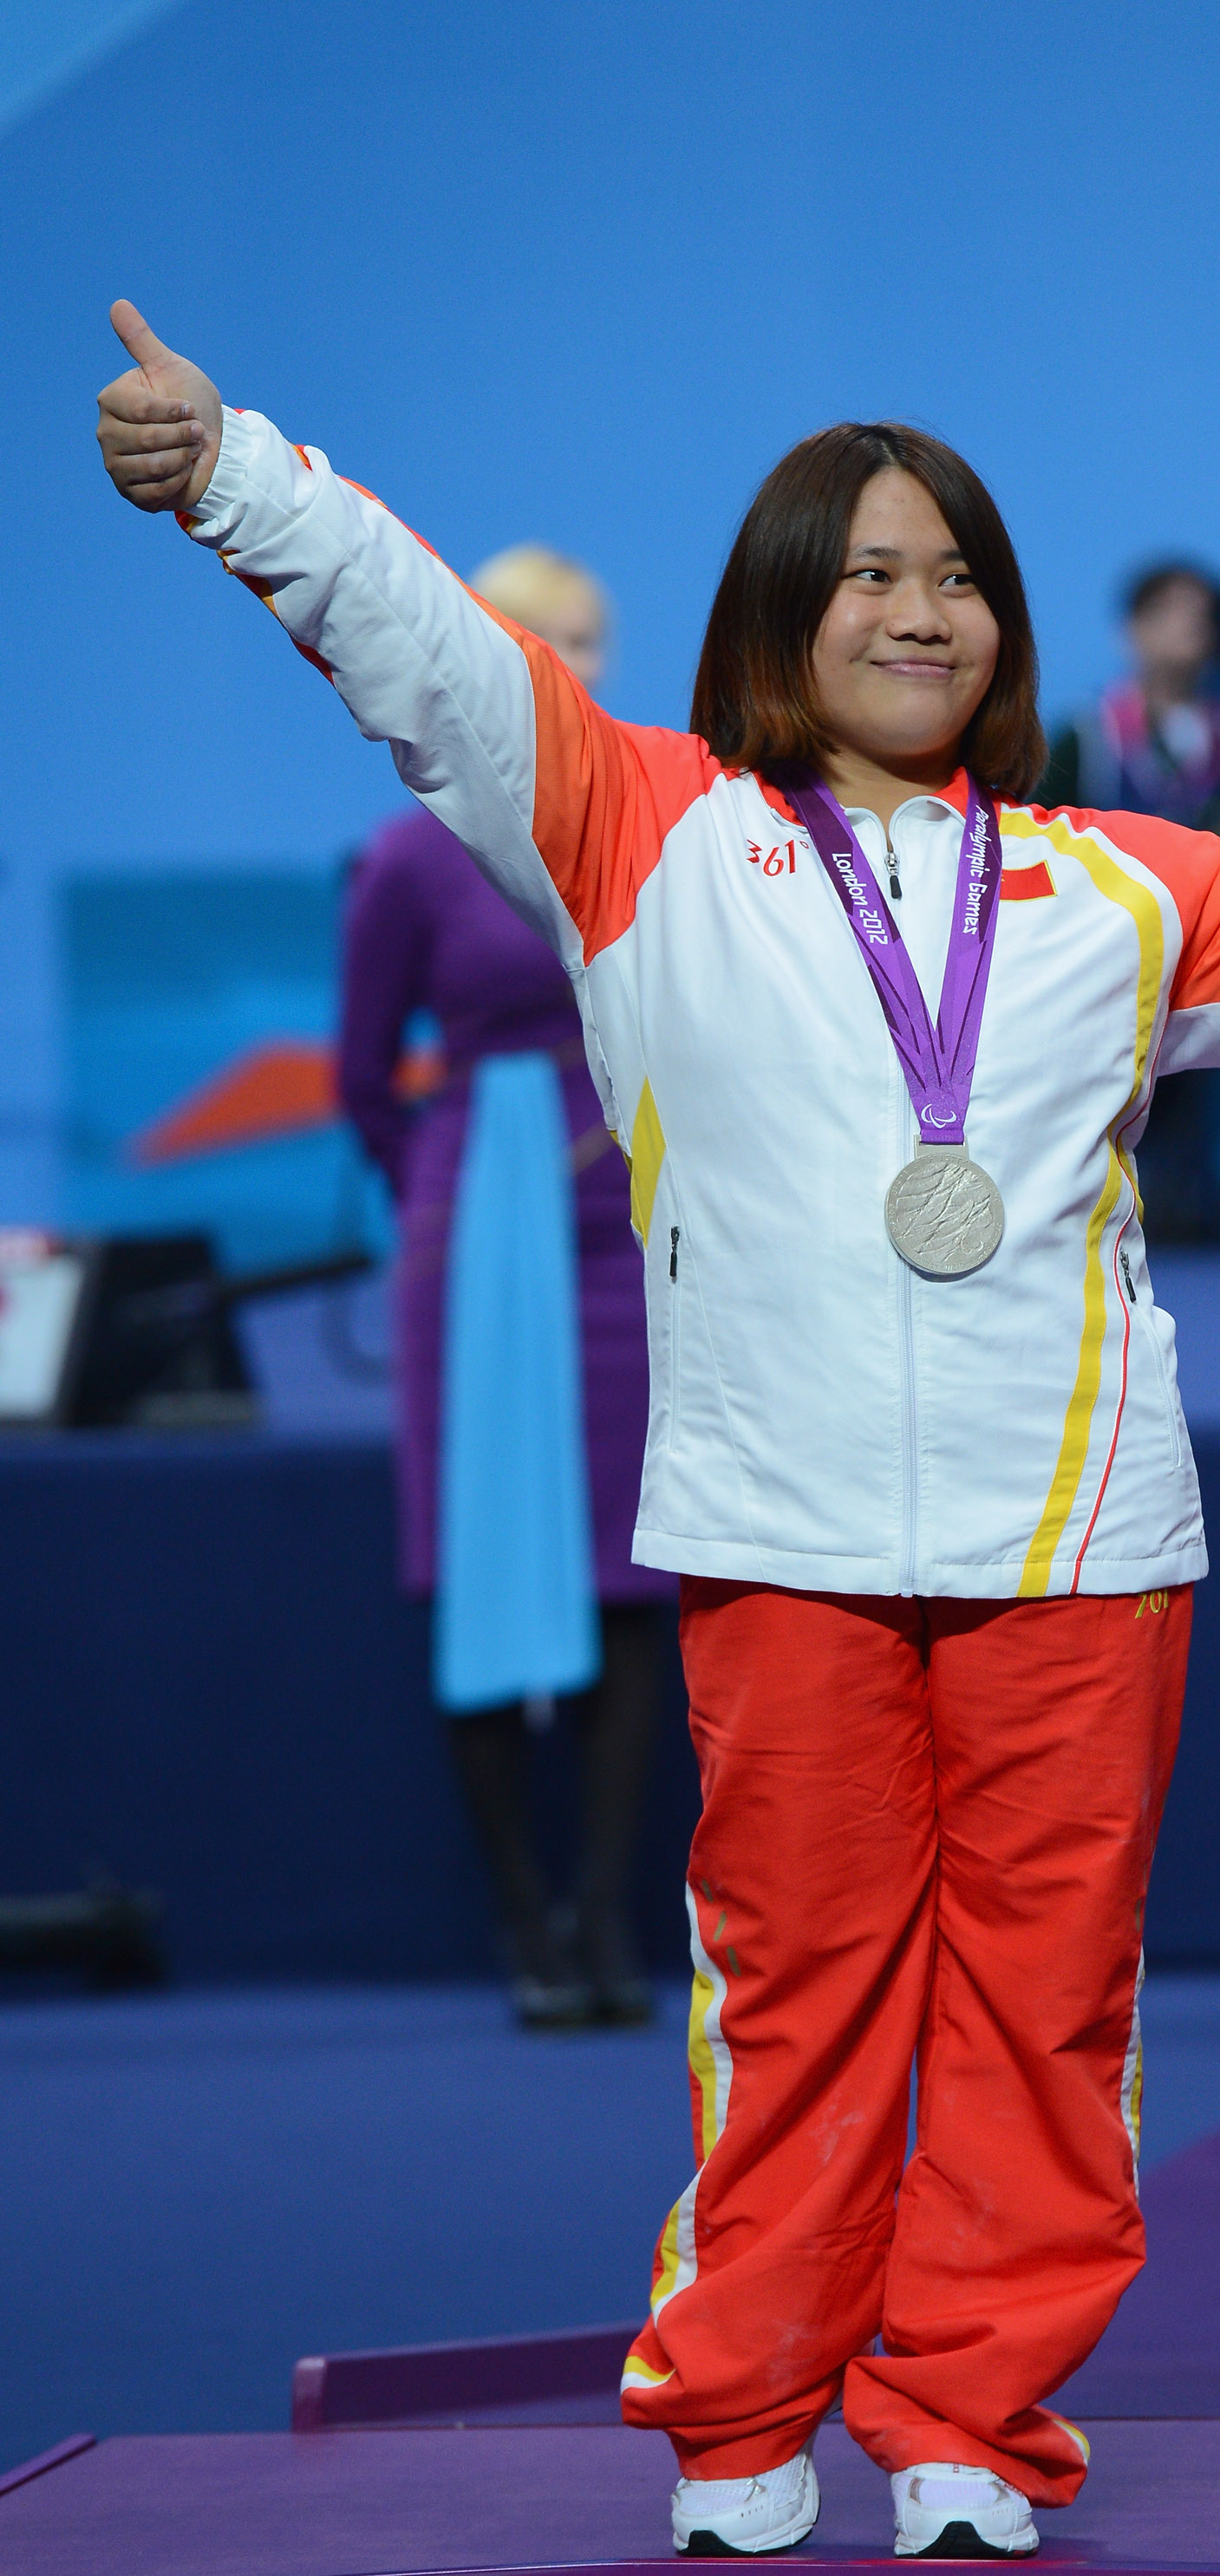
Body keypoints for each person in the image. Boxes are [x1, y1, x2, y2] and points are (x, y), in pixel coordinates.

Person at [96, 302, 1220, 2561]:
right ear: (780, 613)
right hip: (779, 1530)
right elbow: (421, 644)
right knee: (792, 1994)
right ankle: (740, 2411)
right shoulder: (637, 832)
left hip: (1080, 1545)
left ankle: (971, 2412)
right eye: (871, 570)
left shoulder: (1120, 883)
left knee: (1046, 2007)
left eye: (958, 572)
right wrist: (235, 471)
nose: (920, 610)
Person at [337, 543, 670, 2032]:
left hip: (635, 1229)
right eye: (548, 638)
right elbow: (365, 1079)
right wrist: (459, 1195)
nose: (576, 664)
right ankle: (521, 1921)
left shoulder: (652, 820)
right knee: (485, 1570)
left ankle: (602, 1917)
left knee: (634, 1577)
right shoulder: (411, 852)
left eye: (591, 638)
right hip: (480, 1236)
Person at [1037, 561, 1220, 824]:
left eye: (1203, 613)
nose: (1189, 623)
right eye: (1169, 610)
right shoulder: (1087, 738)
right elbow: (1038, 831)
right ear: (1133, 628)